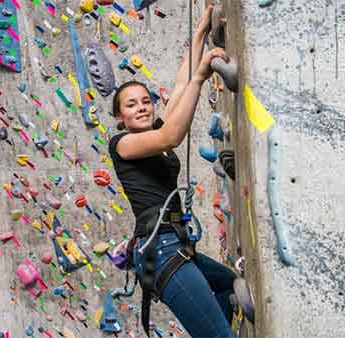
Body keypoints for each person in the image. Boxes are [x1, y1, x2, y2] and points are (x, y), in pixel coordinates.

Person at [108, 6, 237, 338]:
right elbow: (172, 135)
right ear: (120, 118)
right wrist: (200, 78)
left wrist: (200, 33)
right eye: (132, 105)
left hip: (175, 243)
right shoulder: (123, 144)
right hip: (160, 250)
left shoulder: (154, 134)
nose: (143, 107)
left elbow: (181, 85)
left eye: (146, 100)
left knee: (229, 285)